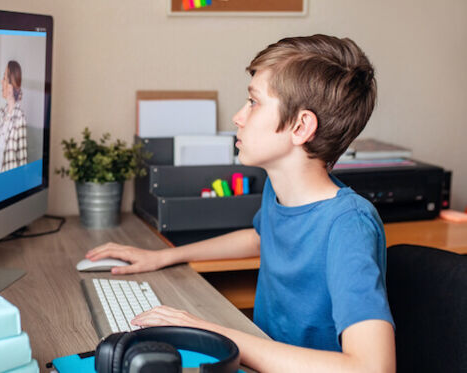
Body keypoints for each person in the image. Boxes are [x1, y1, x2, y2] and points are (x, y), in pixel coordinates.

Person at [86, 35, 396, 372]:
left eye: (253, 102)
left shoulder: (348, 224)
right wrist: (164, 255)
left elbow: (372, 367)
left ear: (301, 126)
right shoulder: (279, 193)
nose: (238, 116)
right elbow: (262, 238)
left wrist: (210, 331)